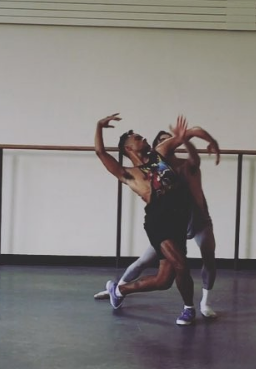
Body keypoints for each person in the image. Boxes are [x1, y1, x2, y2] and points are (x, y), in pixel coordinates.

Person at [94, 127, 221, 318]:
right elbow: (100, 152)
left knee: (164, 281)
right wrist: (99, 125)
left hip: (178, 220)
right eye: (137, 138)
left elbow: (192, 131)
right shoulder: (129, 173)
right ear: (128, 148)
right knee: (181, 264)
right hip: (158, 222)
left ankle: (119, 290)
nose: (143, 138)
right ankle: (189, 309)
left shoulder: (159, 155)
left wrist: (212, 141)